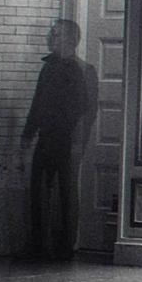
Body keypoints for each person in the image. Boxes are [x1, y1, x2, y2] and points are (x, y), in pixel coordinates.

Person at [22, 19, 97, 259]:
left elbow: (87, 110)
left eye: (56, 35)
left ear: (71, 40)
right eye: (52, 34)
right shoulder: (49, 68)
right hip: (47, 137)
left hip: (66, 139)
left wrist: (78, 141)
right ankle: (39, 242)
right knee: (38, 191)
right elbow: (38, 103)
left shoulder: (83, 70)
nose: (51, 38)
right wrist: (28, 133)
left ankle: (64, 244)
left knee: (66, 192)